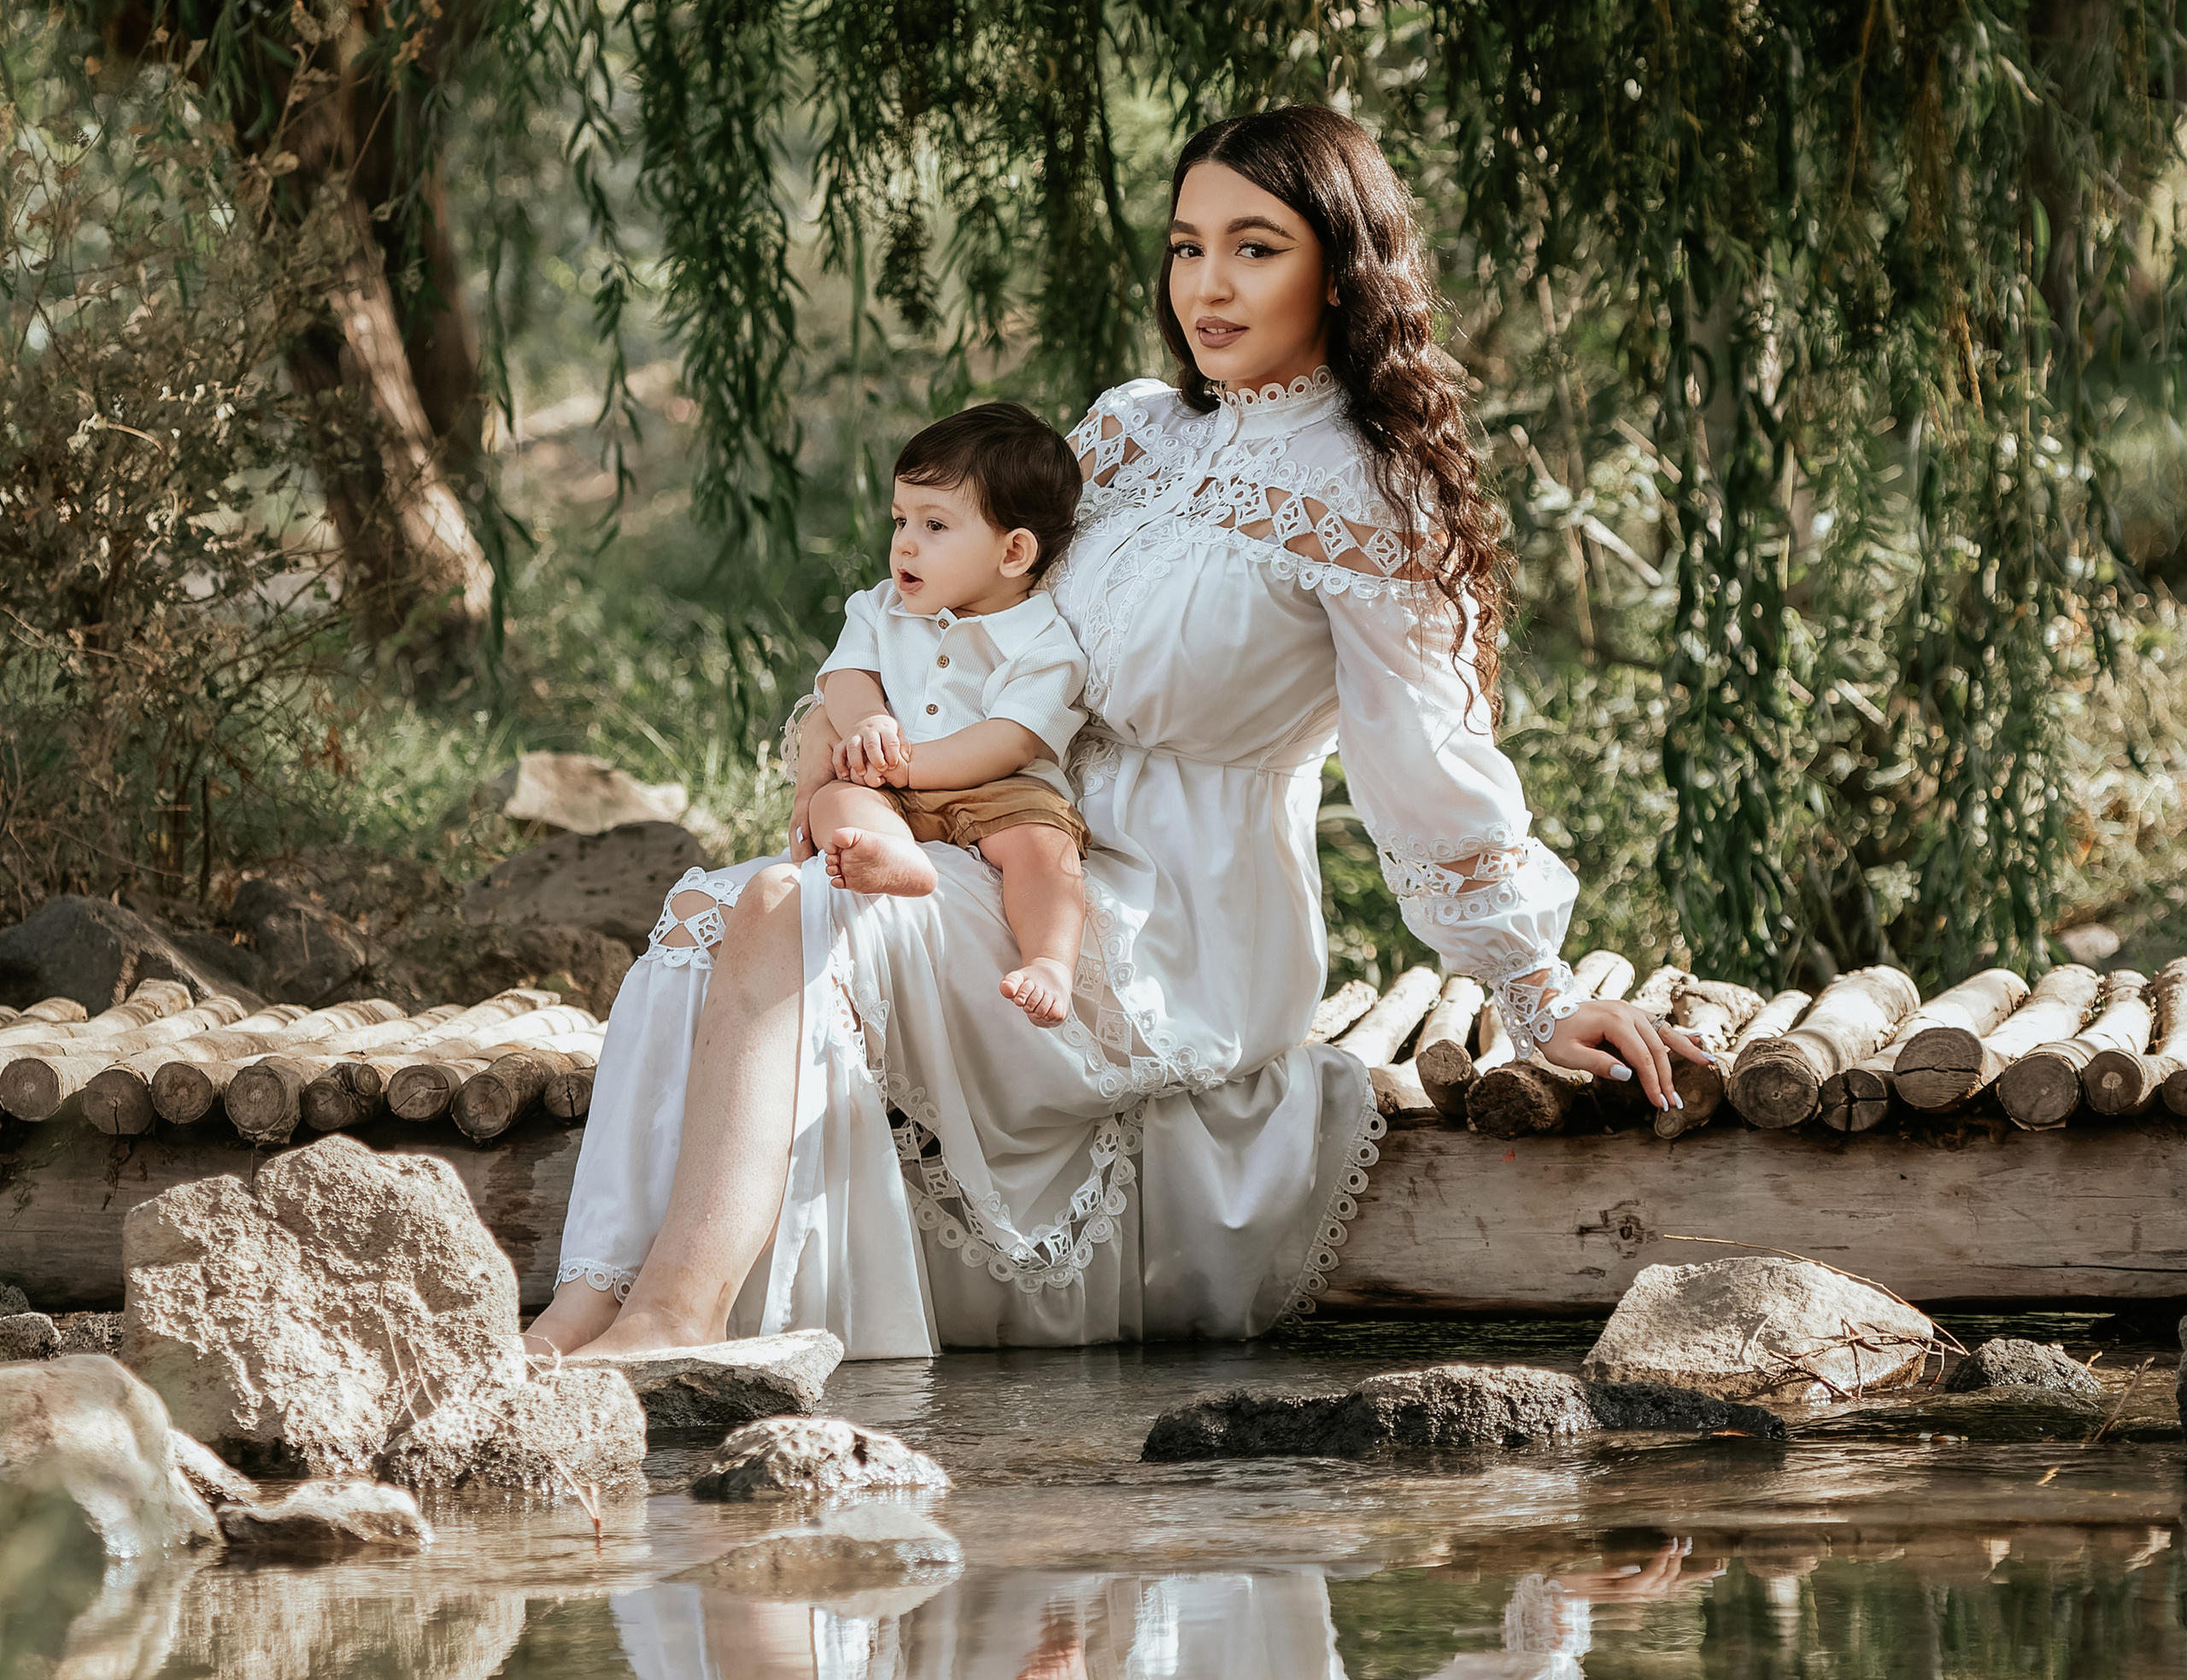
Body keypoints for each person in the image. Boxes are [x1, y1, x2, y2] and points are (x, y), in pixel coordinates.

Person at [531, 105, 1713, 1365]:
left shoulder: (1372, 498)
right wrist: (857, 733)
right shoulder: (1134, 431)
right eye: (1186, 245)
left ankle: (674, 1320)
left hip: (1175, 916)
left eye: (1255, 248)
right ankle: (585, 1312)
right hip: (1011, 833)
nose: (1207, 284)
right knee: (723, 910)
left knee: (774, 915)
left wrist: (1532, 988)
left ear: (1342, 269)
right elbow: (985, 612)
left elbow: (1425, 763)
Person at [804, 401, 1093, 1029]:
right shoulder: (882, 608)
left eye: (934, 526)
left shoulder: (1041, 642)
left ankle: (1048, 961)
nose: (904, 542)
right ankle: (890, 856)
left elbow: (1011, 740)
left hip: (998, 792)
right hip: (888, 783)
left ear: (1014, 552)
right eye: (900, 519)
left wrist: (910, 765)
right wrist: (867, 726)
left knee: (1046, 846)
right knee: (836, 802)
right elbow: (845, 676)